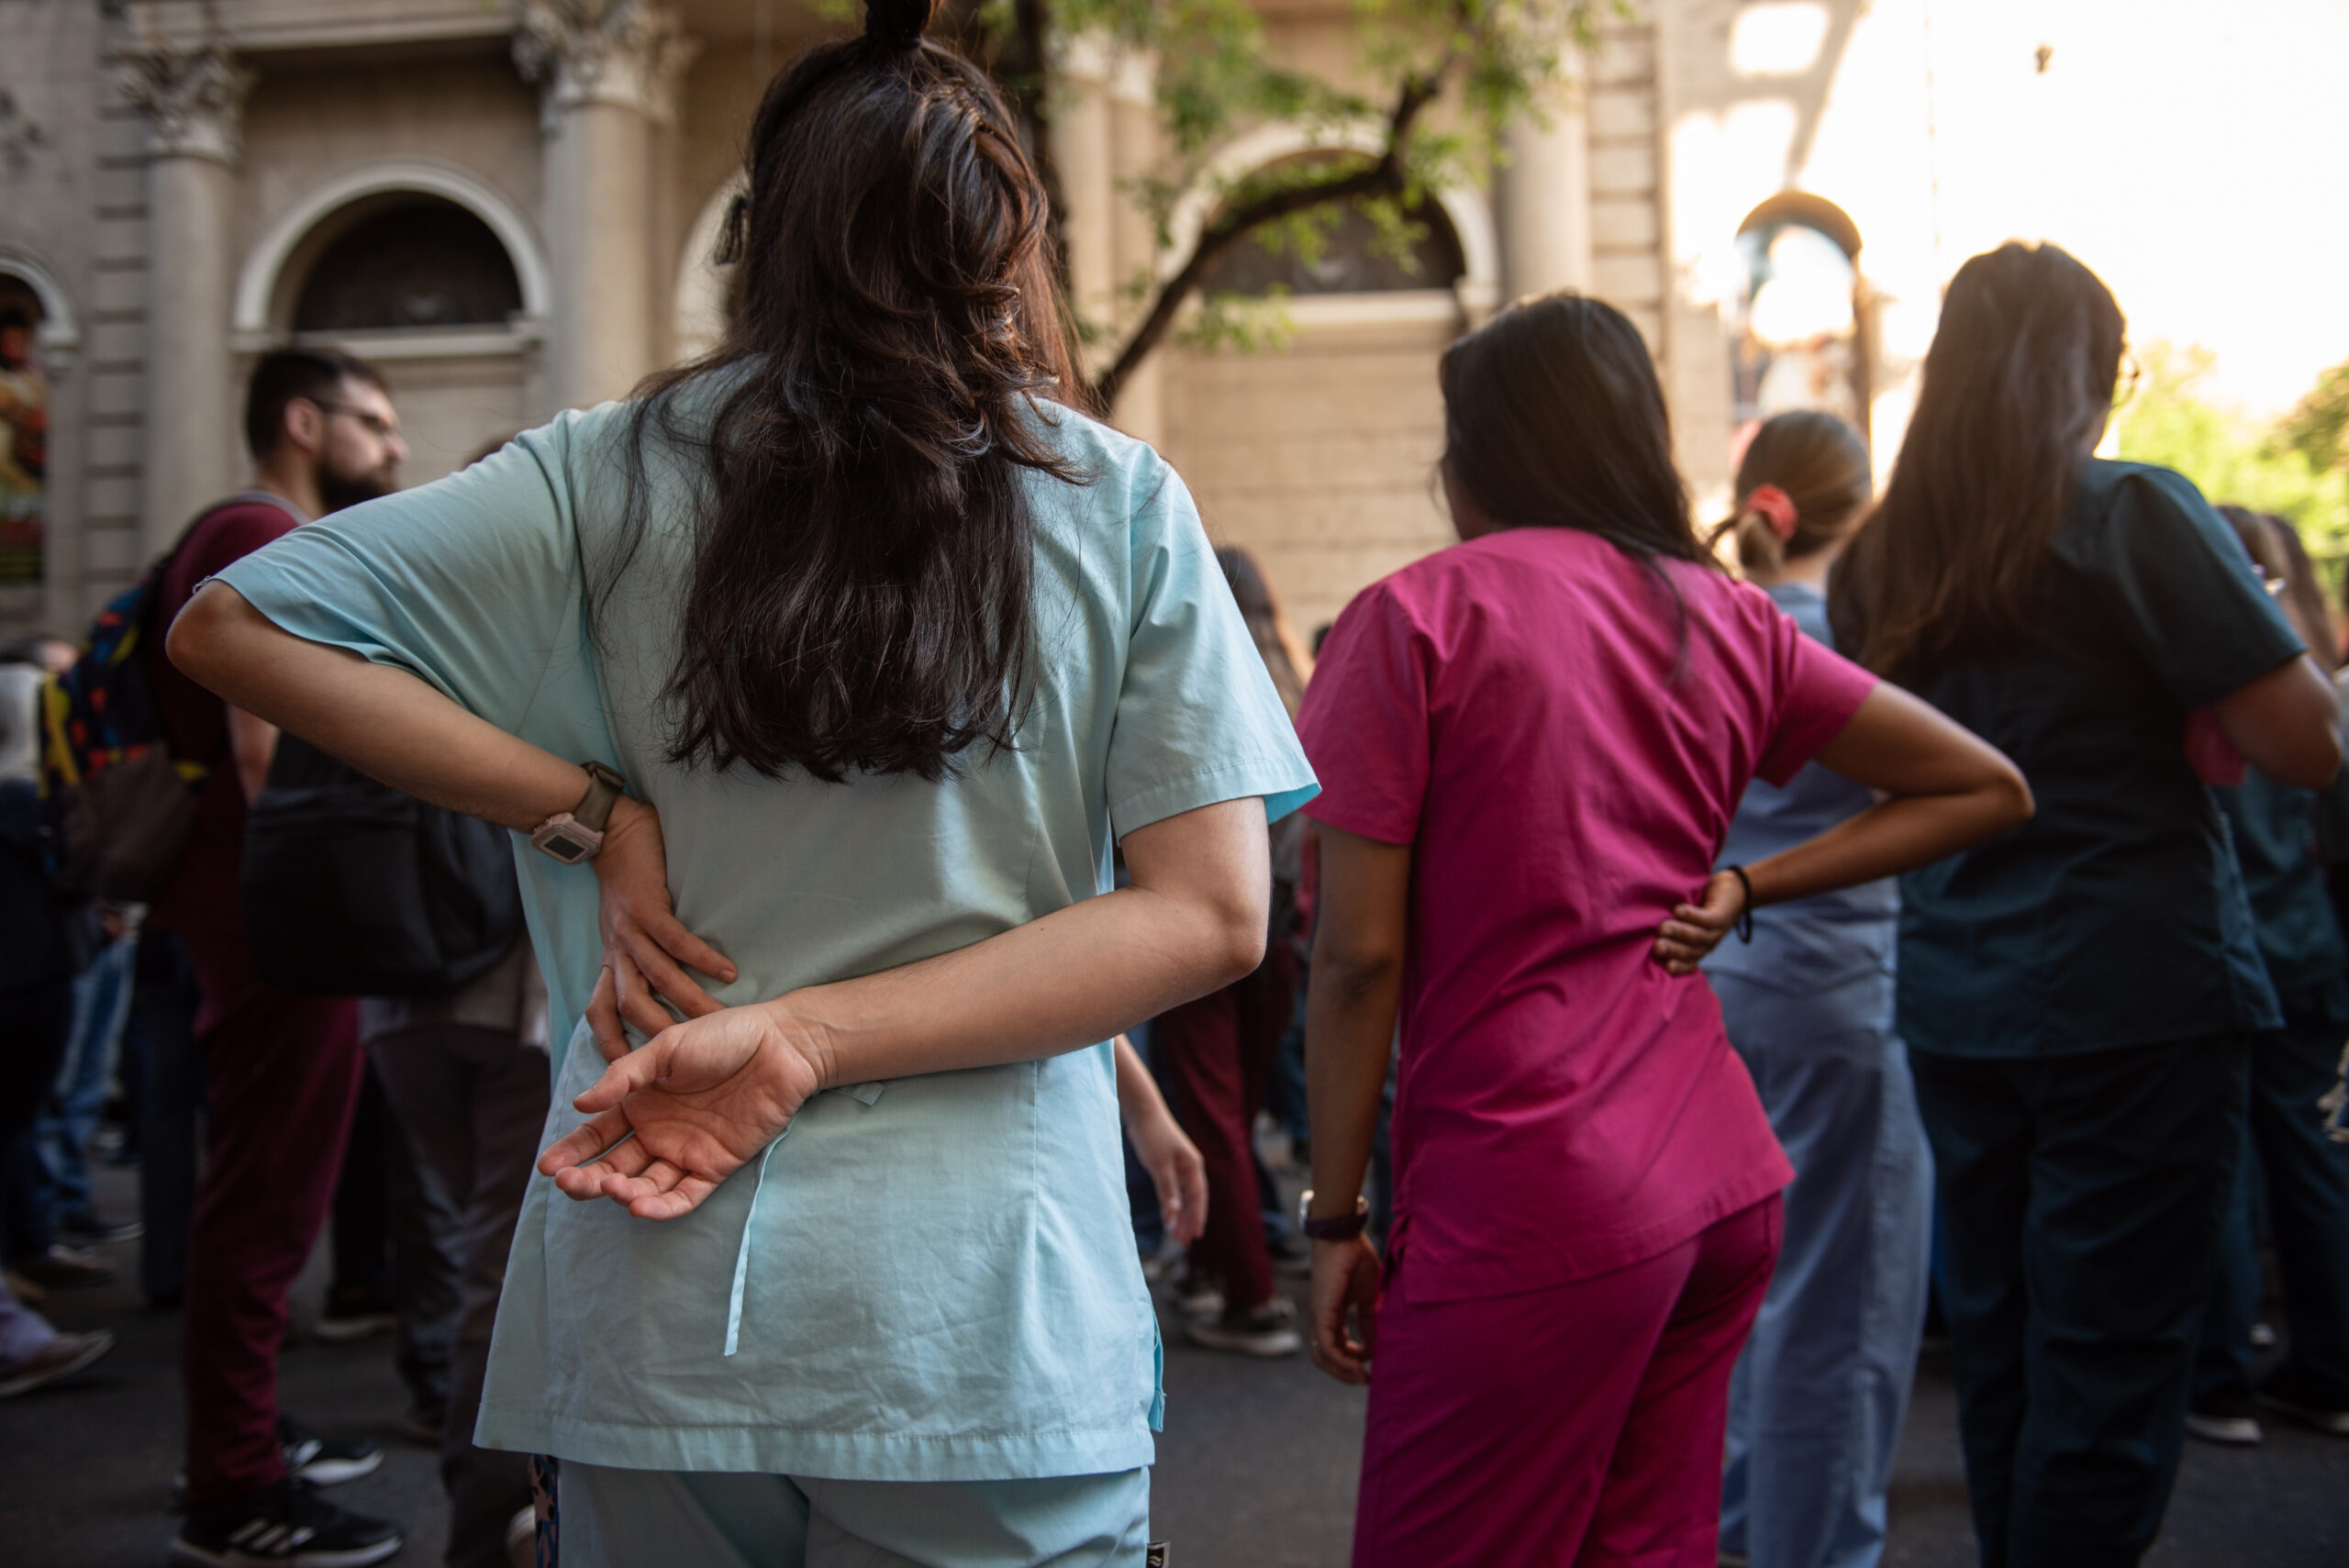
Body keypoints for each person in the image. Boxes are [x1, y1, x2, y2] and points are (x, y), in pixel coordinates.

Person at [167, 4, 1314, 1563]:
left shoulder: (602, 469)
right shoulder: (1113, 499)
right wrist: (806, 1032)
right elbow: (1211, 913)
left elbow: (231, 627)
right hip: (979, 1322)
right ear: (1005, 240)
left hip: (657, 1292)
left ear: (766, 238)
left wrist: (589, 811)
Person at [1296, 291, 2032, 1567]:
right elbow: (1985, 784)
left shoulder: (1414, 618)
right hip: (1712, 1182)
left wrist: (1333, 1216)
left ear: (1480, 454)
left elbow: (1357, 958)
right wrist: (1751, 886)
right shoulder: (1726, 614)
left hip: (1527, 1190)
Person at [1827, 242, 2342, 1567]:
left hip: (1959, 992)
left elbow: (1881, 775)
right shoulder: (2131, 513)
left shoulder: (1880, 560)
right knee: (2110, 1364)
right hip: (2137, 985)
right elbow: (2307, 743)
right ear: (2089, 373)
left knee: (2004, 1349)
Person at [151, 344, 411, 1565]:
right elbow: (267, 760)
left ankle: (245, 1430)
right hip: (277, 925)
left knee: (260, 1187)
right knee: (267, 1196)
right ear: (303, 422)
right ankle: (233, 1484)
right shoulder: (262, 530)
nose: (394, 446)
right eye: (373, 421)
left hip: (246, 913)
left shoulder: (229, 527)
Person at [1698, 412, 1932, 1568]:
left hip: (1716, 987)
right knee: (1842, 1298)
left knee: (1750, 1281)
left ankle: (1744, 1515)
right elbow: (1950, 792)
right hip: (1837, 990)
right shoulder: (1851, 643)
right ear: (1860, 508)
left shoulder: (1705, 636)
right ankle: (1815, 1542)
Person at [2187, 506, 2349, 1445]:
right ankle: (2330, 1366)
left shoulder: (2203, 686)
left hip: (2229, 944)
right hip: (2305, 938)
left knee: (2221, 1161)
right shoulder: (2311, 678)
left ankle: (2219, 1374)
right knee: (2315, 1154)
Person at [1153, 544, 1311, 1355]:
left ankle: (1251, 1297)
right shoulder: (1297, 692)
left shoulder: (1200, 687)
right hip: (1278, 940)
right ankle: (1220, 1266)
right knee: (1234, 1115)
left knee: (1212, 1120)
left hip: (1204, 942)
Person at [0, 635, 115, 1396]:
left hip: (39, 973)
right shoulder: (28, 802)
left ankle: (26, 1249)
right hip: (32, 978)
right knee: (26, 1116)